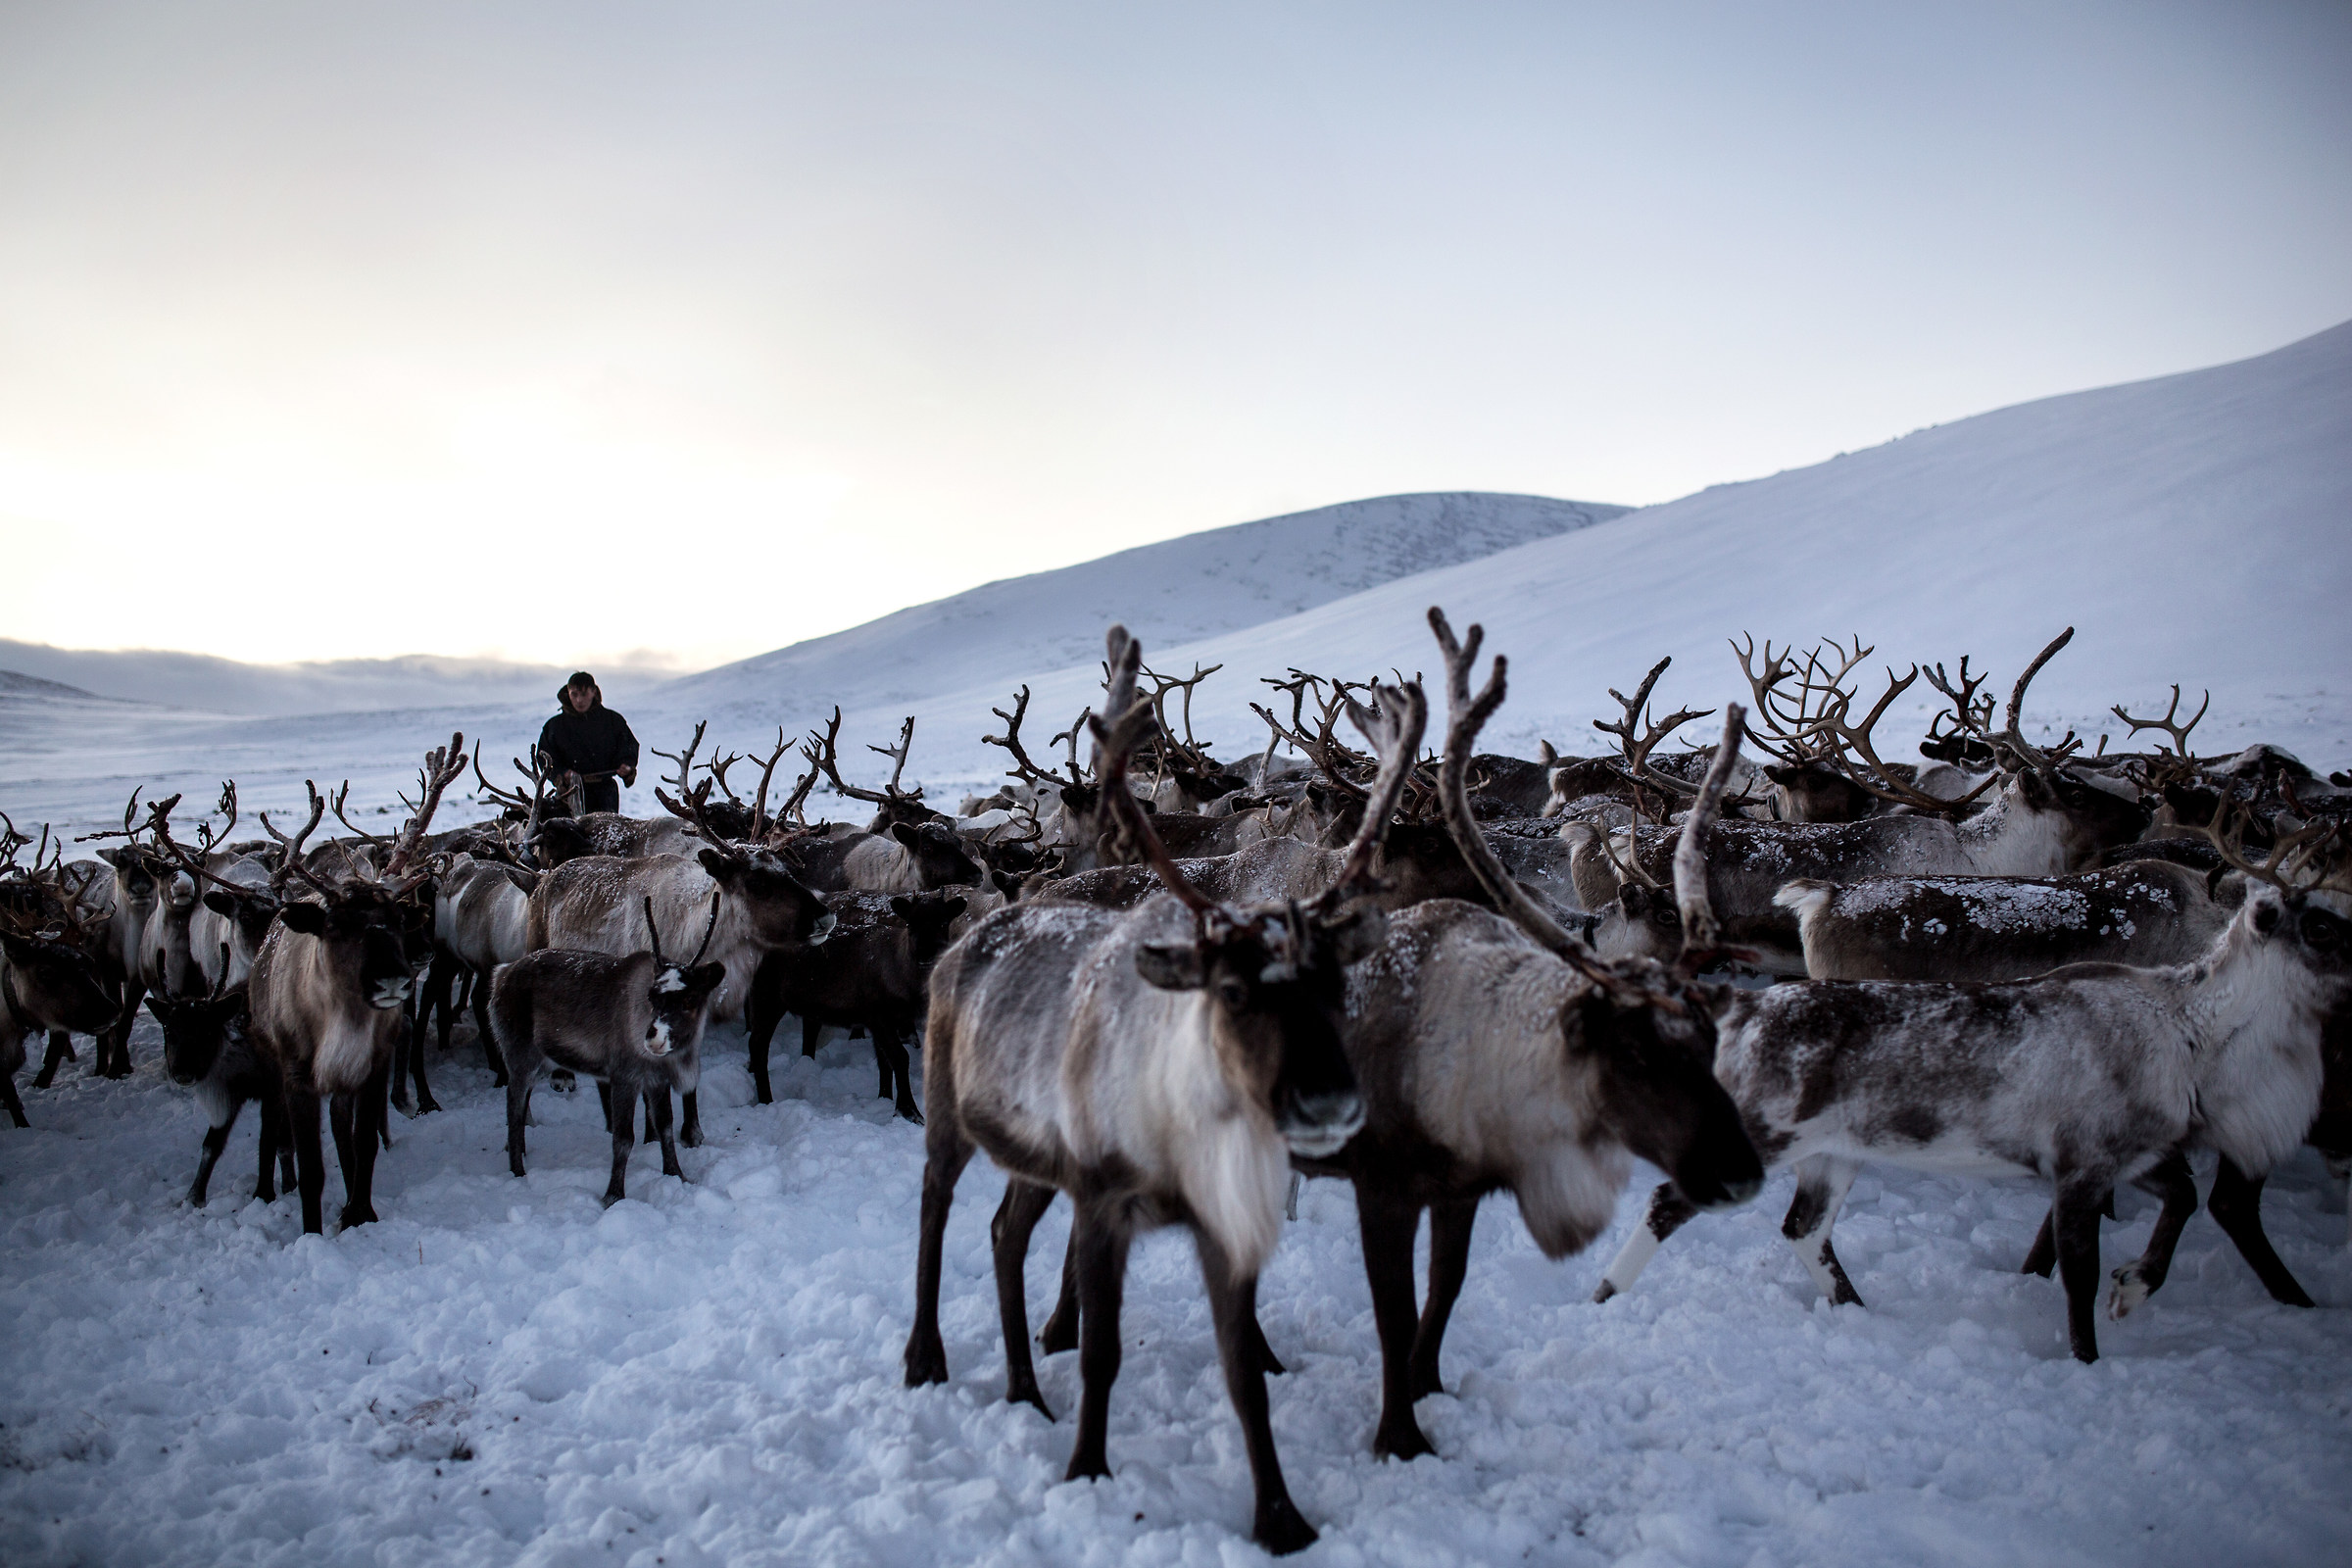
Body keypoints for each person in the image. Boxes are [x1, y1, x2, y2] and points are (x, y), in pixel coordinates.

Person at [537, 671, 640, 815]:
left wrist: (626, 766)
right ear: (568, 692)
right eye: (574, 694)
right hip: (568, 794)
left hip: (605, 795)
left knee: (604, 837)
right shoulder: (555, 726)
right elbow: (544, 756)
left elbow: (628, 747)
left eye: (584, 694)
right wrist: (562, 773)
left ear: (593, 691)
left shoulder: (612, 721)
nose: (579, 700)